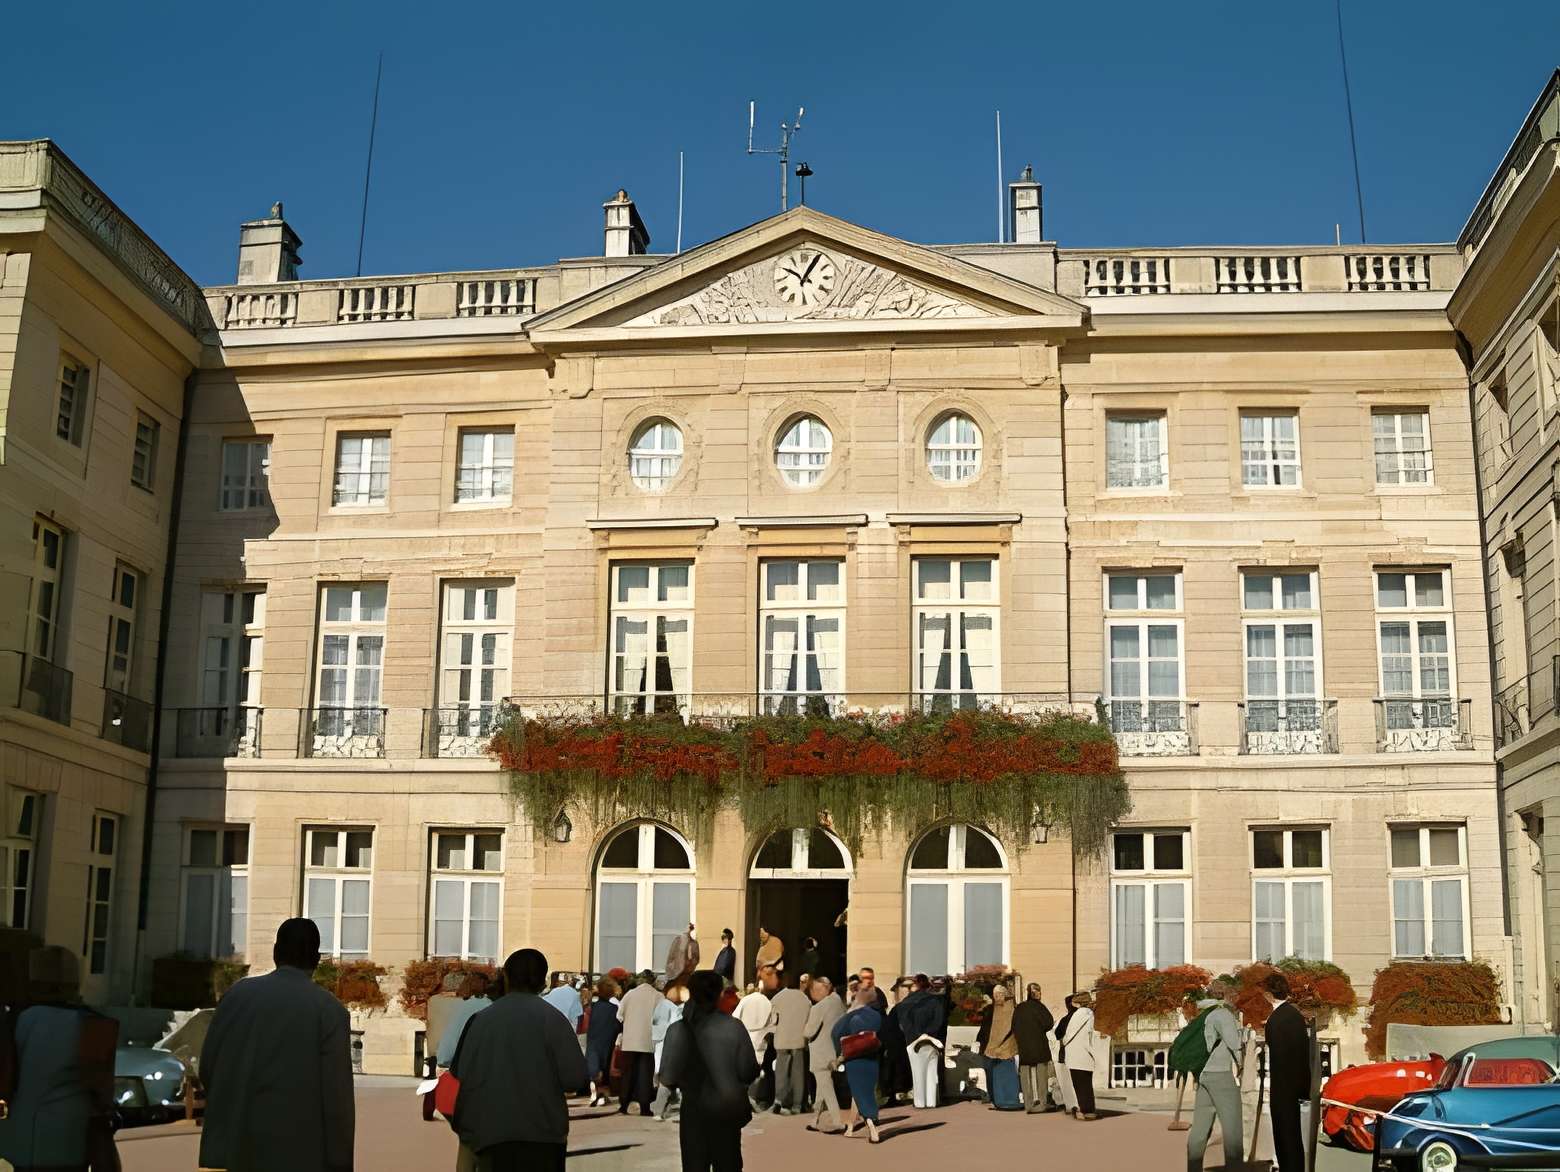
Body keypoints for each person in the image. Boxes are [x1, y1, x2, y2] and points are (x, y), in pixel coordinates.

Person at [199, 919, 354, 1172]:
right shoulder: (329, 1010)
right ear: (316, 959)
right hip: (300, 1151)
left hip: (239, 1146)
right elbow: (337, 1097)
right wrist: (340, 1160)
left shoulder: (237, 996)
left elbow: (208, 1067)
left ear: (275, 952)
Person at [450, 948, 588, 1172]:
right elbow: (575, 1078)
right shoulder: (554, 1020)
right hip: (543, 1135)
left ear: (506, 977)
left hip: (491, 1134)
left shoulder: (480, 1021)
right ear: (542, 982)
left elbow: (461, 1072)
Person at [0, 945, 119, 1172]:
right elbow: (100, 1091)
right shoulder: (92, 1025)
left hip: (13, 1143)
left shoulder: (14, 1020)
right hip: (67, 1142)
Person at [658, 970, 760, 1172]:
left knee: (695, 1165)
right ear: (720, 994)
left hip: (694, 1110)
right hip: (726, 1109)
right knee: (727, 1164)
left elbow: (668, 1076)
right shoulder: (734, 1027)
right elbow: (748, 1070)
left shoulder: (678, 1029)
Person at [1187, 979, 1245, 1172]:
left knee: (1200, 1127)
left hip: (1204, 1074)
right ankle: (1235, 1168)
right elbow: (1235, 1044)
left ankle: (1193, 1168)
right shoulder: (1222, 1014)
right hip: (1221, 1074)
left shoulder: (1204, 1013)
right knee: (1233, 1128)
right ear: (1226, 994)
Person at [1262, 971, 1310, 1172]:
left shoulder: (1274, 1020)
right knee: (1294, 1136)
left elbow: (1276, 1053)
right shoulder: (1296, 1016)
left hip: (1281, 1085)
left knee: (1283, 1135)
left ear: (1270, 994)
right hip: (1297, 1083)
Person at [832, 986, 884, 1143]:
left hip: (854, 1060)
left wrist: (839, 1055)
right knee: (865, 1092)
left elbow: (836, 1032)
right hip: (872, 1058)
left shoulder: (852, 1016)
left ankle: (871, 1123)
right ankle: (851, 1127)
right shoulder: (877, 1016)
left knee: (860, 1094)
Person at [896, 973, 947, 1109]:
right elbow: (938, 1020)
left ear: (915, 985)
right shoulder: (936, 1001)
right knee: (931, 1073)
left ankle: (920, 1102)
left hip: (913, 1041)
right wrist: (929, 1033)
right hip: (933, 1040)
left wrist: (917, 1035)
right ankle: (931, 1102)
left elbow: (904, 1024)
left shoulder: (905, 1003)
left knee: (918, 1073)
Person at [803, 976, 846, 1133]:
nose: (812, 994)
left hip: (821, 1053)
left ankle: (837, 1121)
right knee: (822, 1088)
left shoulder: (818, 1008)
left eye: (813, 990)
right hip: (835, 1050)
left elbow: (808, 1032)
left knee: (826, 1088)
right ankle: (815, 1119)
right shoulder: (838, 1003)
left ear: (821, 990)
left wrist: (804, 1027)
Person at [618, 970, 664, 1116]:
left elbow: (619, 1015)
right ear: (653, 981)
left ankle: (624, 1104)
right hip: (647, 1040)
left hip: (630, 1040)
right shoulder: (658, 996)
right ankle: (645, 1106)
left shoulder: (630, 994)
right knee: (645, 1074)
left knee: (628, 1073)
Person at [767, 970, 811, 1115]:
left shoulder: (778, 998)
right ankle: (797, 1104)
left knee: (781, 1072)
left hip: (782, 1039)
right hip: (799, 1039)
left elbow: (773, 1021)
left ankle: (779, 1100)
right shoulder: (804, 999)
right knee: (798, 1073)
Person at [1013, 982, 1056, 1114]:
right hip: (1039, 1045)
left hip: (1024, 1047)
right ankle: (1042, 1104)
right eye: (1038, 991)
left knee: (1025, 1076)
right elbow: (1049, 1023)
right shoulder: (1039, 1007)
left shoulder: (1019, 1008)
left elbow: (1013, 1026)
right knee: (1041, 1076)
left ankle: (1028, 1104)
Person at [976, 983, 1022, 1110]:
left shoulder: (1012, 1008)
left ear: (1005, 994)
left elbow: (1009, 1028)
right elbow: (985, 1028)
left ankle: (1009, 1100)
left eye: (1000, 994)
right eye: (995, 995)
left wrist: (997, 1044)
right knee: (992, 1075)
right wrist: (979, 1041)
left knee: (1006, 1075)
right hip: (990, 1048)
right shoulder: (991, 1009)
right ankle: (996, 1100)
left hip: (1005, 1048)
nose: (997, 997)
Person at [1059, 990, 1103, 1121]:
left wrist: (1064, 1043)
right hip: (1086, 1053)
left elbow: (1067, 1034)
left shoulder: (1077, 1015)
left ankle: (1085, 1110)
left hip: (1075, 1054)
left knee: (1079, 1084)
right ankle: (1089, 1110)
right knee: (1086, 1084)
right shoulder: (1090, 1014)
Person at [652, 983, 690, 1120]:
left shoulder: (662, 1005)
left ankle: (658, 1111)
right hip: (679, 1049)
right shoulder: (680, 1011)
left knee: (665, 1081)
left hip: (662, 1043)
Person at [734, 975, 773, 1106]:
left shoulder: (746, 1000)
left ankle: (745, 1097)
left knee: (744, 1068)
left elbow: (735, 1017)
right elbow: (773, 1022)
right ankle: (754, 1096)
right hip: (761, 1037)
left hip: (746, 1035)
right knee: (758, 1069)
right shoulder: (767, 1001)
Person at [584, 978, 622, 1107]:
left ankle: (595, 1093)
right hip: (607, 1041)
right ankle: (602, 1095)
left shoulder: (592, 1008)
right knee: (605, 1068)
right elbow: (618, 1027)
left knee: (594, 1067)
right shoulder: (613, 1009)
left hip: (593, 1040)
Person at [878, 979, 912, 1106]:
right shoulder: (894, 1010)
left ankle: (892, 1093)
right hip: (898, 1044)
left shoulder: (898, 1009)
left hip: (894, 1045)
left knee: (891, 1070)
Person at [1052, 994, 1079, 1116]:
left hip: (1065, 1053)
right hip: (1080, 1053)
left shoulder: (1065, 1019)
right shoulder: (1083, 1017)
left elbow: (1057, 1034)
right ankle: (1078, 1104)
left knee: (1067, 1081)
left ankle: (1070, 1105)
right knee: (1078, 1081)